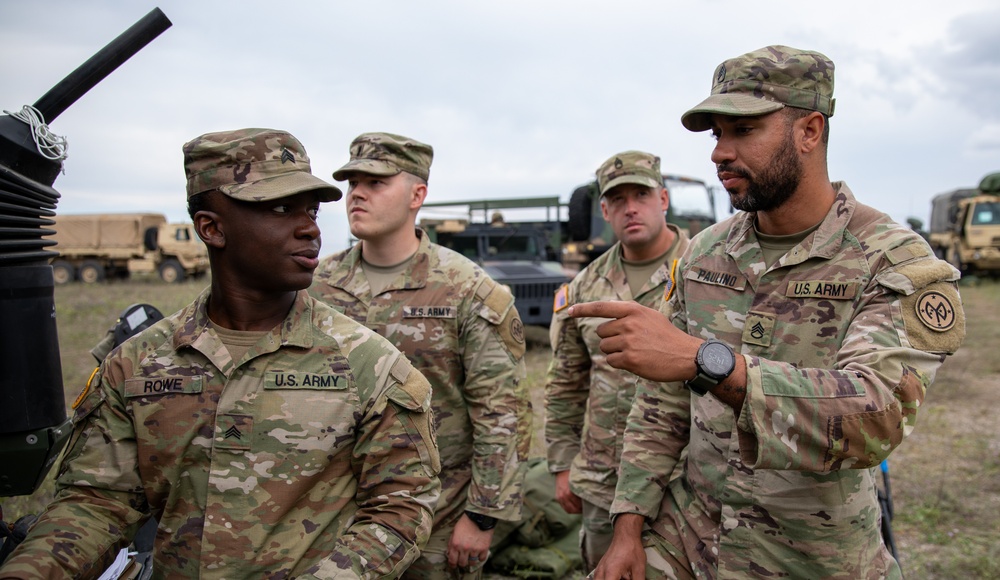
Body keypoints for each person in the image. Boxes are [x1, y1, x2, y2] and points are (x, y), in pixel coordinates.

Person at [571, 46, 967, 579]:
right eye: (716, 134)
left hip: (810, 557)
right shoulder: (704, 255)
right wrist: (628, 527)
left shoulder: (892, 261)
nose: (719, 153)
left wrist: (707, 361)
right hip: (692, 543)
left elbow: (875, 417)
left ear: (809, 131)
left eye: (743, 130)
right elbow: (660, 404)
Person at [0, 128, 442, 579]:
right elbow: (96, 503)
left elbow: (399, 507)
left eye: (311, 210)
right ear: (212, 228)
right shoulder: (136, 365)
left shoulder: (367, 364)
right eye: (280, 208)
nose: (310, 228)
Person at [309, 132, 530, 579]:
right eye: (353, 183)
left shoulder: (467, 288)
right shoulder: (316, 287)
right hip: (330, 510)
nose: (358, 194)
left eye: (375, 183)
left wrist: (483, 515)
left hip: (436, 512)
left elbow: (502, 411)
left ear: (418, 195)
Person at [544, 150, 689, 570]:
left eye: (641, 195)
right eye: (618, 199)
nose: (631, 208)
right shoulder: (585, 288)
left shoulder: (709, 270)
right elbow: (565, 383)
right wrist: (561, 463)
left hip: (688, 476)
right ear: (605, 210)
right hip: (606, 476)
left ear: (662, 199)